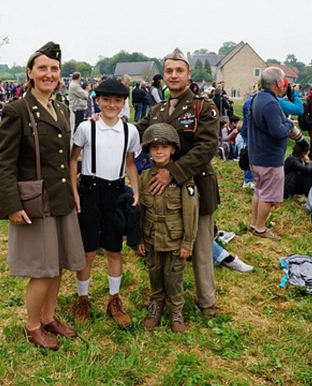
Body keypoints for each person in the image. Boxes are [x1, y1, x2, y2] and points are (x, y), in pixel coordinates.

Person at [0, 42, 86, 350]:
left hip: (60, 198)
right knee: (43, 270)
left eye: (54, 69)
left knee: (58, 264)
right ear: (30, 73)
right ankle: (33, 326)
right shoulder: (16, 109)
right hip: (36, 201)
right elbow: (4, 161)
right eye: (42, 68)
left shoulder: (60, 107)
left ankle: (49, 317)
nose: (49, 74)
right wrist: (11, 204)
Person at [136, 48, 220, 318]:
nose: (173, 75)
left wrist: (172, 171)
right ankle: (165, 297)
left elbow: (206, 147)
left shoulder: (203, 107)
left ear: (188, 74)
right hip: (160, 192)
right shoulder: (157, 109)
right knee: (162, 243)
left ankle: (207, 301)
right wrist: (108, 124)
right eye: (169, 71)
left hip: (195, 184)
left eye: (179, 70)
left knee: (200, 245)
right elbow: (138, 131)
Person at [69, 78, 141, 329]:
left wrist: (136, 190)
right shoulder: (86, 128)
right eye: (106, 100)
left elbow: (130, 162)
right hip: (90, 191)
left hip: (115, 190)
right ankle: (82, 298)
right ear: (97, 101)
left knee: (114, 249)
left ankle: (114, 298)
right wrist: (74, 191)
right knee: (88, 251)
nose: (112, 105)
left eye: (118, 100)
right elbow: (73, 158)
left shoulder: (129, 131)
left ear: (124, 103)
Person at [136, 123, 198, 332]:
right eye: (154, 148)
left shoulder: (182, 179)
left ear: (173, 149)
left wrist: (187, 242)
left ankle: (176, 309)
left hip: (174, 238)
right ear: (148, 150)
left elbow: (190, 212)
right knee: (154, 272)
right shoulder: (144, 177)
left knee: (174, 276)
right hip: (152, 237)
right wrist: (141, 239)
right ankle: (156, 304)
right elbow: (141, 211)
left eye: (164, 146)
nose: (159, 151)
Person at [247, 67, 299, 242]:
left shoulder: (257, 98)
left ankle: (254, 224)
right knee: (267, 196)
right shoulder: (270, 103)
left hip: (257, 155)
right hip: (269, 158)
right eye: (284, 81)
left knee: (260, 191)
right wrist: (290, 126)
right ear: (278, 83)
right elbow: (277, 131)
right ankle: (261, 228)